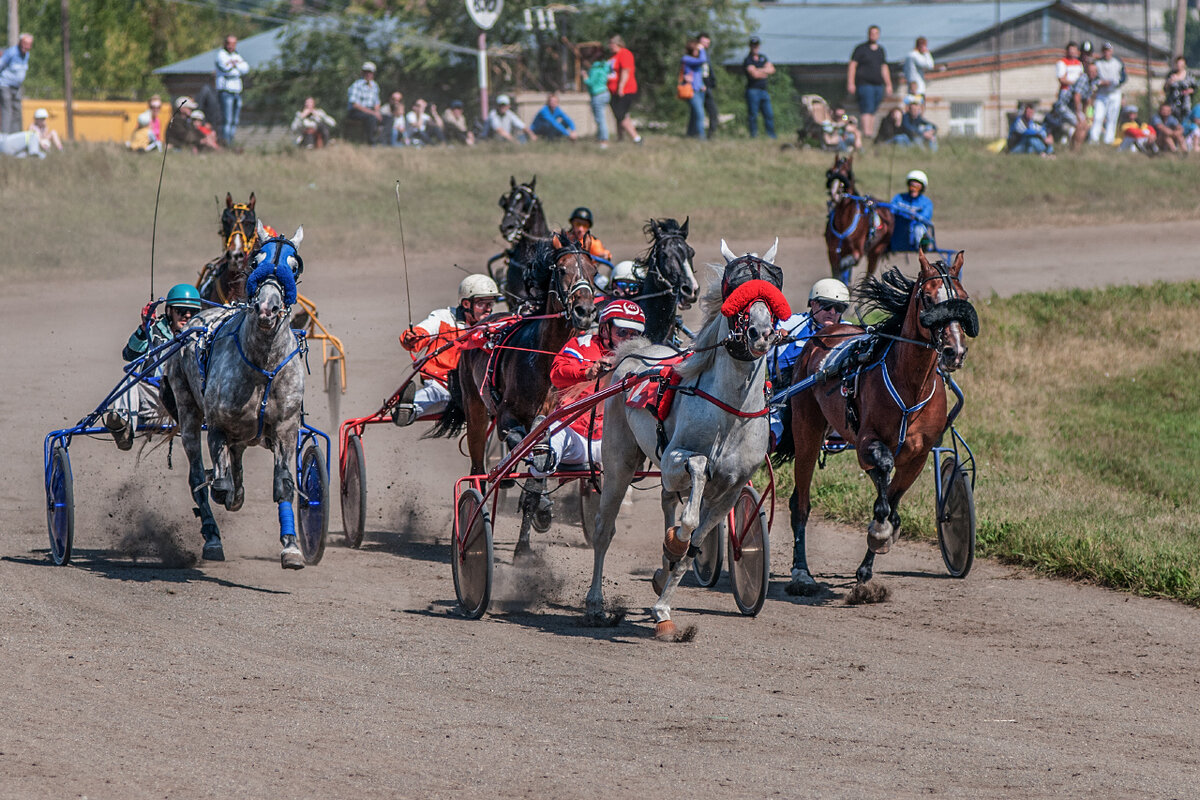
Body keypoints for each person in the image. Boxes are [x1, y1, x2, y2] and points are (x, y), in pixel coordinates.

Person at [530, 300, 647, 475]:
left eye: (634, 335)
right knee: (553, 438)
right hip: (573, 433)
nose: (628, 340)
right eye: (622, 332)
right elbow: (556, 374)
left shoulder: (642, 357)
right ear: (604, 329)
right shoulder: (581, 345)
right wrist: (587, 372)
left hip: (611, 440)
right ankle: (542, 458)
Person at [394, 274, 504, 425]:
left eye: (490, 304)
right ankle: (408, 409)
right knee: (439, 393)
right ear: (466, 304)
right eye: (482, 304)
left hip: (476, 386)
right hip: (443, 382)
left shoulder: (492, 325)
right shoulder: (443, 318)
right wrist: (413, 337)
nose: (488, 309)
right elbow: (422, 332)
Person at [103, 284, 203, 451]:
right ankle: (122, 425)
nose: (187, 315)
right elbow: (130, 354)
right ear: (170, 310)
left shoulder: (201, 337)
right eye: (182, 310)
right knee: (130, 379)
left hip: (187, 401)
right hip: (153, 397)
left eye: (192, 312)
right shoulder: (153, 330)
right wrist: (144, 329)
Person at [767, 278, 849, 446]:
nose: (832, 312)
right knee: (769, 436)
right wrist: (773, 337)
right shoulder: (789, 324)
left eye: (839, 308)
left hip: (833, 404)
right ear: (813, 303)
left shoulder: (852, 333)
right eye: (826, 305)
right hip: (785, 401)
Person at [847, 25, 891, 139]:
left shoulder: (881, 50)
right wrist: (851, 82)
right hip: (865, 85)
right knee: (866, 109)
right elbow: (852, 66)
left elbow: (884, 68)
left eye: (876, 33)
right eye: (872, 33)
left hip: (878, 85)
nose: (873, 35)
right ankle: (867, 134)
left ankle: (870, 133)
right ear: (868, 34)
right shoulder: (861, 49)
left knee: (873, 110)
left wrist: (888, 84)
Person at [607, 35, 642, 144]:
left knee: (620, 114)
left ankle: (637, 138)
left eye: (612, 44)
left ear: (618, 43)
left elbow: (625, 71)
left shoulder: (625, 53)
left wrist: (621, 87)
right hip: (612, 90)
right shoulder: (613, 56)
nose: (610, 46)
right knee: (619, 115)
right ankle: (620, 138)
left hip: (625, 90)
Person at [215, 35, 248, 146]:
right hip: (226, 91)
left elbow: (245, 68)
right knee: (227, 120)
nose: (231, 46)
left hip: (237, 91)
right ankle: (225, 143)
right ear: (225, 43)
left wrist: (234, 64)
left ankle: (231, 141)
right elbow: (226, 69)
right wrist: (235, 65)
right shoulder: (221, 55)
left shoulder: (236, 55)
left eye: (234, 44)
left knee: (235, 121)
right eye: (229, 43)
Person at [890, 169, 934, 252]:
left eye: (917, 187)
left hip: (916, 228)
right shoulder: (899, 198)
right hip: (899, 227)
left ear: (922, 188)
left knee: (918, 229)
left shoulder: (926, 202)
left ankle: (920, 249)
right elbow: (891, 210)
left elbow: (925, 216)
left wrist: (915, 216)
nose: (914, 189)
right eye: (912, 186)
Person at [1090, 42, 1126, 144]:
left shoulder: (1117, 62)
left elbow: (1123, 78)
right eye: (1104, 50)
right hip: (1102, 94)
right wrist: (1100, 83)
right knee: (1098, 116)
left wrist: (1113, 82)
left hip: (1114, 93)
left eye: (1108, 50)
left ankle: (1109, 140)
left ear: (1111, 51)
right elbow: (1093, 78)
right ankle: (1094, 139)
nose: (1106, 52)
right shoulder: (1098, 63)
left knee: (1112, 118)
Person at [743, 36, 776, 139]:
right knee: (753, 115)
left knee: (769, 114)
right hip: (752, 91)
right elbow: (754, 75)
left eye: (756, 45)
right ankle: (754, 135)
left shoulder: (763, 57)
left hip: (764, 91)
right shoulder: (748, 60)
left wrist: (758, 70)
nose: (755, 47)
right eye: (753, 46)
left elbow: (772, 70)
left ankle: (771, 136)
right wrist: (764, 70)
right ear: (750, 46)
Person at [0, 33, 32, 135]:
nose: (26, 47)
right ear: (20, 42)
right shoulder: (11, 52)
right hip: (5, 85)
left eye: (29, 45)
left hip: (17, 87)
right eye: (25, 44)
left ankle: (16, 136)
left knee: (17, 111)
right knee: (7, 110)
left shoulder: (26, 54)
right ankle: (5, 137)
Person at [346, 61, 383, 145]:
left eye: (370, 72)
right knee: (371, 117)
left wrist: (377, 112)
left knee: (388, 118)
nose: (368, 74)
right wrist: (373, 113)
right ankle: (371, 142)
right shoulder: (356, 85)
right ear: (362, 73)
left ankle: (383, 141)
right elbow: (354, 104)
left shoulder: (375, 85)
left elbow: (376, 102)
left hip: (371, 111)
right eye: (366, 72)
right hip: (356, 112)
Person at [582, 46, 611, 148]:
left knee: (600, 119)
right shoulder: (605, 66)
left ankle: (604, 140)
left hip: (597, 95)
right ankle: (600, 138)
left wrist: (585, 76)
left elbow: (591, 82)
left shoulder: (594, 69)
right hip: (605, 93)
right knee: (601, 118)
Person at [680, 39, 708, 140]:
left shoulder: (695, 60)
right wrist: (703, 49)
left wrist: (702, 84)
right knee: (700, 114)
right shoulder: (686, 58)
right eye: (697, 49)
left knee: (694, 114)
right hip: (691, 91)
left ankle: (690, 134)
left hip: (699, 90)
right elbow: (703, 60)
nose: (698, 51)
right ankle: (702, 137)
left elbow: (697, 75)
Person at [698, 32, 719, 139]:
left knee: (713, 112)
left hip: (707, 86)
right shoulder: (697, 52)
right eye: (705, 39)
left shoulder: (705, 53)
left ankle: (711, 134)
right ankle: (697, 134)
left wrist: (711, 82)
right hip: (699, 87)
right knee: (698, 112)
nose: (707, 42)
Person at [1163, 56, 1195, 123]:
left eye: (1181, 64)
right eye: (1178, 63)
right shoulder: (1171, 74)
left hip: (1185, 104)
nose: (1179, 66)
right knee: (1172, 122)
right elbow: (1165, 89)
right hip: (1173, 103)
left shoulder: (1189, 75)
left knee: (1185, 121)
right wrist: (1169, 82)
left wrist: (1189, 91)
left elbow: (1194, 88)